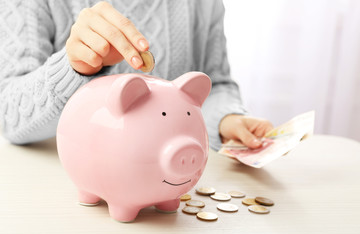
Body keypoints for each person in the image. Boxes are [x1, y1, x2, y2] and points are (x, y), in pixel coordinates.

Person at [0, 0, 272, 151]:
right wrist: (72, 69)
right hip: (61, 177)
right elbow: (8, 113)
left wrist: (226, 118)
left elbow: (215, 83)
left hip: (165, 176)